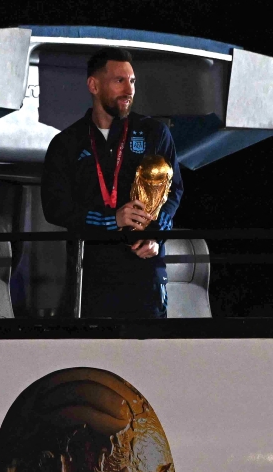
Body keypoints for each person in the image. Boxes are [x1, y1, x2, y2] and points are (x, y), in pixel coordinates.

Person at [41, 48, 183, 318]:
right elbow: (54, 207)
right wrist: (111, 220)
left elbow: (174, 191)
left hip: (145, 273)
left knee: (149, 344)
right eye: (119, 80)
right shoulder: (66, 143)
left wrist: (156, 235)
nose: (129, 90)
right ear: (93, 85)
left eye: (132, 81)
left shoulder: (154, 133)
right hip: (90, 274)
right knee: (92, 345)